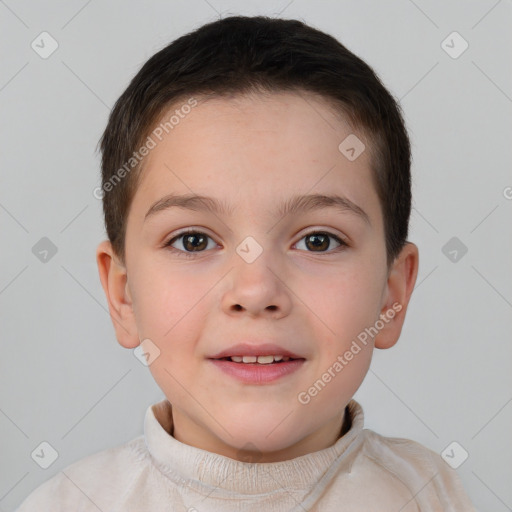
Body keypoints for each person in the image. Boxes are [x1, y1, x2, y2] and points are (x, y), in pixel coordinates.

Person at [16, 15, 476, 511]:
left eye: (318, 241)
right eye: (193, 241)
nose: (255, 291)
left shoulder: (433, 495)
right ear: (122, 294)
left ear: (392, 295)